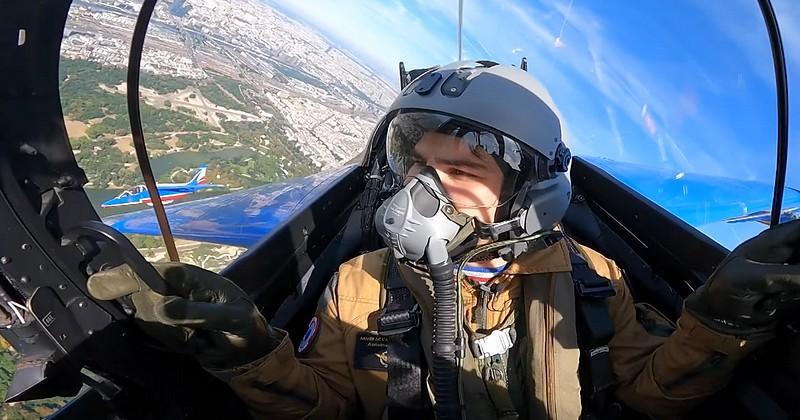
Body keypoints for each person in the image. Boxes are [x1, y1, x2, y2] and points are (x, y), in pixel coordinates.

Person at [87, 61, 800, 419]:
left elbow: (650, 393)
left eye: (459, 170)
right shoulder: (361, 279)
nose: (422, 191)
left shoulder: (591, 278)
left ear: (532, 193)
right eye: (418, 165)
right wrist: (246, 351)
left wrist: (721, 322)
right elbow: (326, 404)